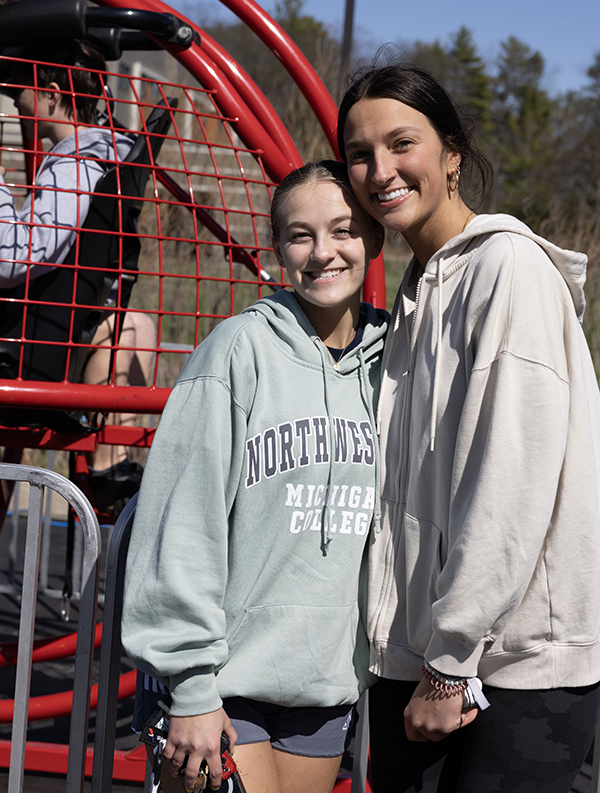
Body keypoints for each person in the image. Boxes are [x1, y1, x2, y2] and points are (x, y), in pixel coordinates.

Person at [336, 63, 600, 793]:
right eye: (360, 154)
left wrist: (451, 664)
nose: (380, 170)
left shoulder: (506, 269)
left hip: (509, 673)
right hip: (426, 660)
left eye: (401, 143)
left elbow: (510, 486)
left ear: (452, 153)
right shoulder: (418, 296)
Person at [121, 160, 388, 793]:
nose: (323, 253)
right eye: (301, 235)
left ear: (374, 240)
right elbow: (181, 522)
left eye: (344, 230)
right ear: (278, 249)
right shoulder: (237, 351)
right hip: (221, 684)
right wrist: (188, 685)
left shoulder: (395, 365)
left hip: (323, 681)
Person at [0, 39, 156, 509]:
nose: (16, 103)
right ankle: (111, 461)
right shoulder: (111, 155)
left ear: (50, 93)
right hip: (62, 328)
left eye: (21, 93)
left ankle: (108, 465)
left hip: (32, 344)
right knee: (137, 324)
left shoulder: (74, 163)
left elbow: (13, 257)